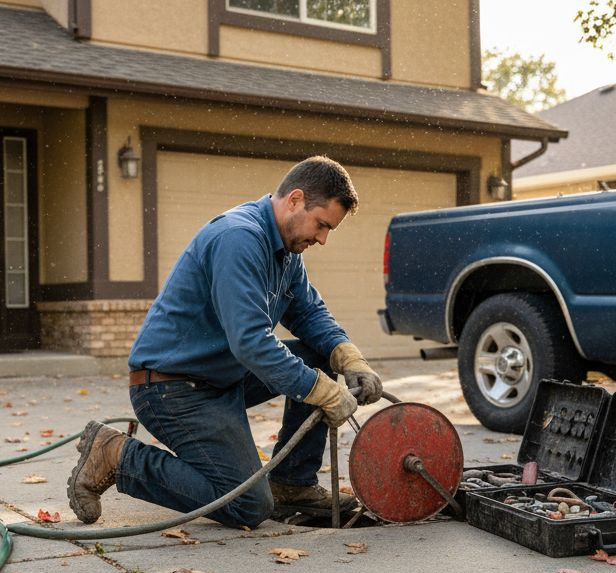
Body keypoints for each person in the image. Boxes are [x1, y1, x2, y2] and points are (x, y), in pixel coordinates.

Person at [66, 156, 384, 528]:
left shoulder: (285, 251)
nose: (323, 239)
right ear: (295, 200)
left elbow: (309, 313)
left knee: (321, 354)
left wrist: (349, 358)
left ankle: (292, 484)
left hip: (219, 377)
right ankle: (117, 455)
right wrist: (322, 392)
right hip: (172, 389)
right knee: (248, 505)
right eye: (322, 224)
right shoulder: (239, 238)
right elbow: (251, 343)